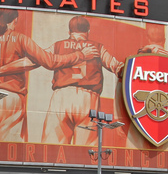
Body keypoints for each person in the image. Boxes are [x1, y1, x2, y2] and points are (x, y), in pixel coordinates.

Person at [0, 8, 85, 142]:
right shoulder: (21, 39)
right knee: (8, 152)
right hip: (10, 99)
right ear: (15, 21)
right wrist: (80, 55)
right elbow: (51, 62)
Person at [40, 15, 121, 145]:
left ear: (69, 32)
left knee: (52, 149)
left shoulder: (58, 45)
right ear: (88, 31)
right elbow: (116, 66)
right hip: (88, 99)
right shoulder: (97, 47)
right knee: (86, 153)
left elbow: (40, 58)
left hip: (61, 96)